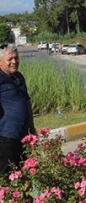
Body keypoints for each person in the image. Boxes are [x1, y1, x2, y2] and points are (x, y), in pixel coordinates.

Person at [0, 46, 36, 175]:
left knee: (26, 173)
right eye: (10, 59)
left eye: (16, 58)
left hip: (24, 136)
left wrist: (32, 128)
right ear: (0, 62)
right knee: (7, 178)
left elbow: (27, 102)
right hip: (6, 138)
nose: (14, 62)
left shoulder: (19, 77)